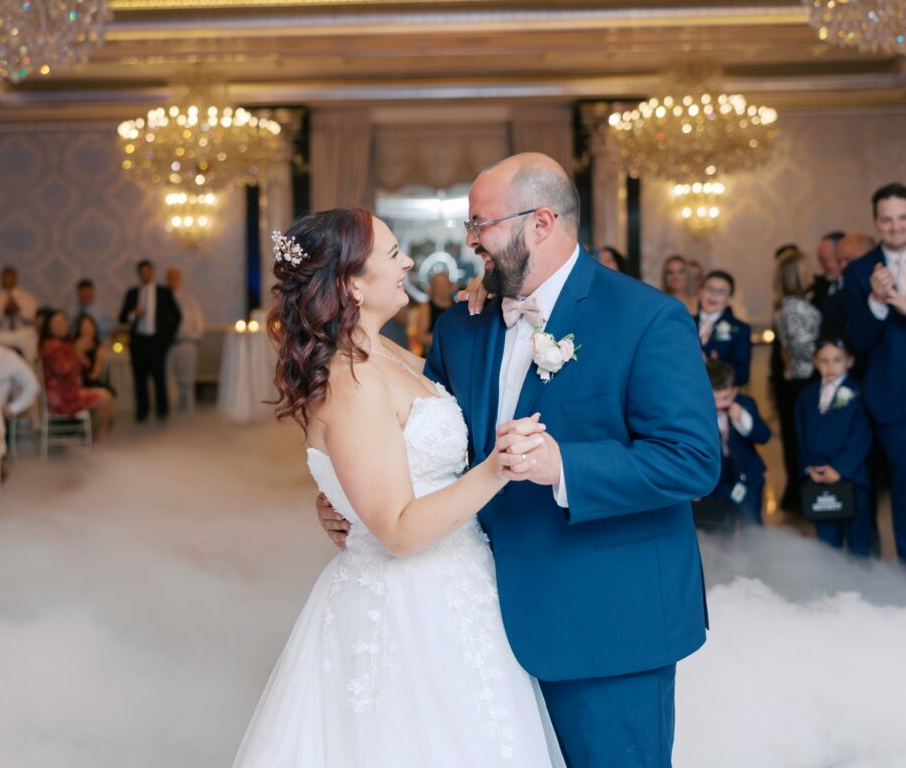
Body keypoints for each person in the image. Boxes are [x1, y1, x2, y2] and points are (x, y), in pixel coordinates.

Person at [320, 153, 719, 766]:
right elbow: (423, 443)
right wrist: (349, 493)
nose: (469, 241)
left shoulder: (646, 318)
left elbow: (692, 461)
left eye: (481, 224)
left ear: (540, 223)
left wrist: (566, 468)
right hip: (474, 625)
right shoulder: (462, 326)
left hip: (608, 622)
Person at [234, 208, 563, 767]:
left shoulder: (385, 351)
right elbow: (398, 532)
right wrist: (496, 469)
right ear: (352, 286)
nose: (409, 262)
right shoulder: (354, 381)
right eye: (392, 254)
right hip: (409, 603)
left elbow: (387, 462)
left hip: (458, 583)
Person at [844, 182, 906, 563]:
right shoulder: (858, 271)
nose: (896, 226)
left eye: (903, 217)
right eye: (887, 219)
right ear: (875, 222)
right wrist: (876, 301)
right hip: (893, 400)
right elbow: (857, 340)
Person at [795, 336, 873, 556]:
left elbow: (862, 435)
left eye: (837, 360)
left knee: (858, 538)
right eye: (824, 360)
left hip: (851, 476)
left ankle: (861, 575)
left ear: (849, 361)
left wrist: (840, 469)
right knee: (827, 540)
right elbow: (800, 435)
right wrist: (809, 468)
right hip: (818, 477)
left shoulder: (859, 392)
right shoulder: (806, 397)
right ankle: (832, 576)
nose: (830, 367)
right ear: (815, 362)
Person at [773, 249, 822, 513]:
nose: (813, 270)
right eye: (807, 267)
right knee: (800, 440)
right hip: (803, 379)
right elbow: (802, 347)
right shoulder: (794, 307)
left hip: (798, 378)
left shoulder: (791, 304)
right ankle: (801, 498)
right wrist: (830, 354)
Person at [706, 360, 771, 524]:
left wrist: (744, 420)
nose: (720, 404)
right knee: (721, 523)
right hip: (719, 479)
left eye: (725, 398)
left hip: (748, 475)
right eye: (714, 398)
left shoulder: (746, 404)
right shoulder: (701, 410)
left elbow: (764, 436)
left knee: (751, 520)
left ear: (735, 390)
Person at [118, 260, 180, 422]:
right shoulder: (132, 293)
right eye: (142, 272)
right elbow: (122, 317)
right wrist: (133, 314)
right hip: (138, 342)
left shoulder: (164, 292)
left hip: (157, 342)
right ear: (139, 274)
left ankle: (162, 412)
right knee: (139, 378)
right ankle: (142, 412)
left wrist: (167, 338)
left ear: (152, 271)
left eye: (148, 271)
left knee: (159, 377)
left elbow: (177, 316)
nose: (145, 274)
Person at [38, 311, 114, 440]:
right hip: (63, 396)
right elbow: (64, 369)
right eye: (57, 323)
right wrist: (76, 350)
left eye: (63, 322)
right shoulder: (53, 346)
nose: (61, 325)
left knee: (105, 395)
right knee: (106, 398)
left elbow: (87, 367)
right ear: (48, 327)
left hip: (65, 392)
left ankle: (95, 438)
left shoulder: (60, 344)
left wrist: (77, 351)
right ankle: (98, 439)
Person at [696, 269, 752, 386]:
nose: (714, 295)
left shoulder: (740, 329)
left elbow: (743, 375)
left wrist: (715, 367)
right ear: (700, 292)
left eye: (721, 292)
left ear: (729, 299)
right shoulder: (684, 323)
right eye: (710, 289)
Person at [165, 267, 204, 413]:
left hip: (186, 344)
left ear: (180, 279)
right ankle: (170, 413)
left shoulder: (189, 300)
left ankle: (188, 413)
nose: (173, 281)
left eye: (175, 277)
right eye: (170, 277)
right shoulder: (162, 300)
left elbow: (198, 323)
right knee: (168, 381)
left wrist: (192, 337)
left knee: (187, 381)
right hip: (168, 345)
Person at [808, 231, 847, 336]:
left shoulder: (857, 287)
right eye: (819, 259)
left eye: (824, 259)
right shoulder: (818, 287)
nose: (820, 265)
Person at [0, 266, 39, 331]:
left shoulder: (27, 298)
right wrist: (3, 312)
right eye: (5, 277)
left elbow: (33, 318)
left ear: (16, 279)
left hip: (23, 333)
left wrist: (19, 310)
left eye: (11, 277)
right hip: (0, 332)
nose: (8, 280)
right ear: (1, 279)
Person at [415, 270, 455, 353]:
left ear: (451, 287)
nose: (441, 288)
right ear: (433, 288)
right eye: (438, 285)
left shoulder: (456, 307)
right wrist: (443, 339)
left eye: (444, 284)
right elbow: (420, 336)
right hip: (432, 353)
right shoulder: (426, 306)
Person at [73, 314, 114, 395]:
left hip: (89, 379)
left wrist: (80, 352)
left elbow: (96, 372)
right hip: (74, 378)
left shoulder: (98, 347)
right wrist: (76, 349)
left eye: (89, 327)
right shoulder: (72, 344)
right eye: (84, 328)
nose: (87, 330)